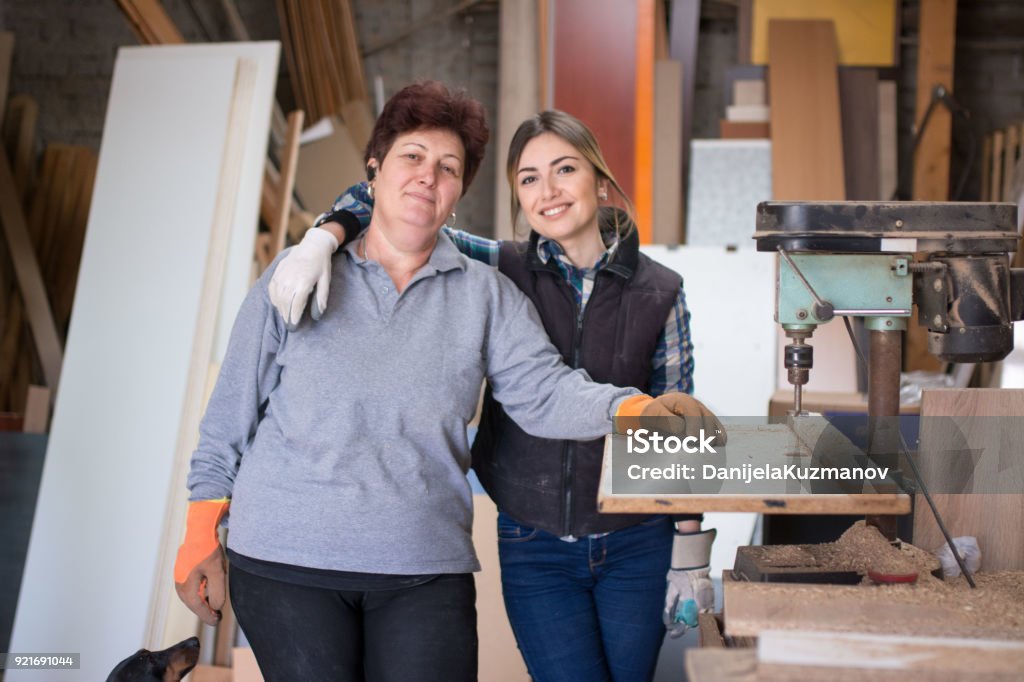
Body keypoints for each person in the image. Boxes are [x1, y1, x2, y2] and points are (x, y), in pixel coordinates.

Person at [173, 83, 722, 682]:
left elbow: (544, 393)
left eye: (448, 168)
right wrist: (202, 528)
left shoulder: (488, 290)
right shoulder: (300, 275)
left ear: (460, 191)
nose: (427, 177)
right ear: (374, 169)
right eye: (411, 157)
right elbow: (230, 414)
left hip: (425, 563)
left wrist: (636, 411)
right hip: (285, 557)